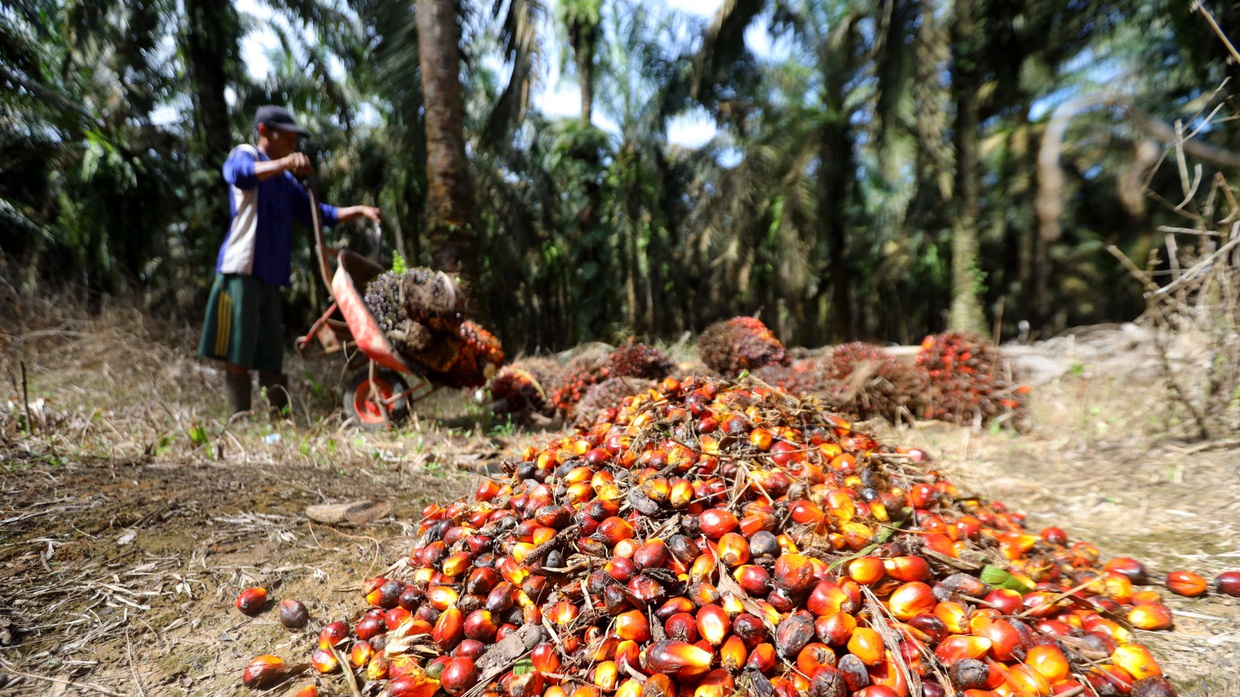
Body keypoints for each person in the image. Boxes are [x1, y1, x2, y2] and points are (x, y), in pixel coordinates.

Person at [199, 105, 381, 415]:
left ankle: (279, 418)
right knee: (239, 345)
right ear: (264, 132)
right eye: (287, 136)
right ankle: (239, 416)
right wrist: (283, 163)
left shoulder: (284, 181)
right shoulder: (246, 155)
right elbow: (240, 176)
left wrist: (358, 211)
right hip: (242, 267)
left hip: (271, 274)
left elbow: (318, 213)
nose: (292, 144)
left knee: (270, 350)